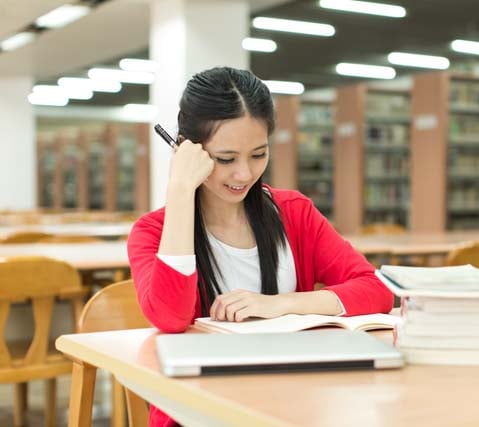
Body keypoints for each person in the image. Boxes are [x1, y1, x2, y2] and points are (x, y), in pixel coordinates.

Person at [127, 66, 394, 427]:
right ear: (188, 150)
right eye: (226, 159)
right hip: (197, 411)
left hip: (295, 404)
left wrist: (281, 305)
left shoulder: (293, 213)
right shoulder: (153, 232)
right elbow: (170, 318)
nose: (244, 174)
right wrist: (179, 191)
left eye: (258, 154)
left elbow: (376, 290)